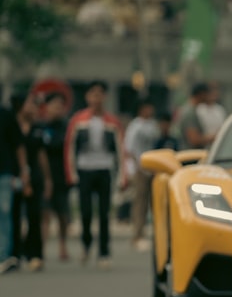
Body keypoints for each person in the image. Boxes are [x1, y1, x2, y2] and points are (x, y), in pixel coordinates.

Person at [65, 80, 128, 268]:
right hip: (84, 169)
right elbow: (70, 148)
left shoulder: (112, 122)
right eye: (93, 94)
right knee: (85, 211)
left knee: (104, 213)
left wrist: (123, 176)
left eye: (100, 94)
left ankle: (104, 252)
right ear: (87, 97)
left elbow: (120, 151)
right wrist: (72, 173)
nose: (96, 98)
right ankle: (86, 244)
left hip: (104, 169)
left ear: (105, 97)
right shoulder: (78, 120)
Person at [10, 92, 52, 272]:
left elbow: (42, 155)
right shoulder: (10, 127)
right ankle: (14, 254)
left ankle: (35, 254)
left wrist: (48, 178)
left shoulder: (37, 129)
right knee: (14, 216)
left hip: (34, 176)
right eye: (29, 104)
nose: (33, 107)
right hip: (14, 176)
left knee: (34, 215)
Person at [40, 92, 72, 261]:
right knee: (44, 213)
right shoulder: (41, 127)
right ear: (47, 107)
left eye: (61, 106)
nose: (57, 109)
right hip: (44, 177)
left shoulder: (67, 128)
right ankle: (42, 248)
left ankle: (63, 246)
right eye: (54, 105)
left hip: (61, 177)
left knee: (62, 215)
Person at [124, 98, 158, 251]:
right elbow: (129, 149)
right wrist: (134, 168)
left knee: (155, 202)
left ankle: (156, 234)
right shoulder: (135, 126)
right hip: (140, 168)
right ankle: (137, 234)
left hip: (155, 168)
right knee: (140, 203)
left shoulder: (153, 126)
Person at [0, 99, 26, 274]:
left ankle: (4, 256)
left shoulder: (6, 114)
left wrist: (24, 170)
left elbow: (18, 144)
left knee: (3, 214)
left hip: (4, 172)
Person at [176, 82, 216, 150]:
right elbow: (194, 140)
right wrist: (214, 137)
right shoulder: (189, 112)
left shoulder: (191, 110)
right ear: (202, 94)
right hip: (190, 156)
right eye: (207, 94)